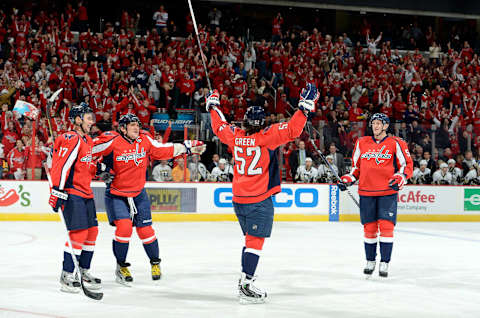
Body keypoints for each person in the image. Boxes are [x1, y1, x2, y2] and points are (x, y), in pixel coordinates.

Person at [207, 83, 318, 303]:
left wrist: (213, 105)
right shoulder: (267, 136)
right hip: (259, 199)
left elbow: (219, 126)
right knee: (255, 242)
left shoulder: (235, 136)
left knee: (250, 241)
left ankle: (244, 280)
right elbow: (293, 130)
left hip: (239, 199)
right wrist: (304, 108)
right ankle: (246, 286)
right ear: (263, 122)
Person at [92, 114, 205, 285]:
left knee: (146, 231)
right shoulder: (111, 140)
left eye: (137, 124)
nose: (136, 128)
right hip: (116, 194)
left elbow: (162, 150)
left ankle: (155, 263)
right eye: (132, 125)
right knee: (124, 229)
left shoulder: (144, 139)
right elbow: (86, 152)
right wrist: (99, 168)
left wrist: (186, 147)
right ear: (123, 129)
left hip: (138, 194)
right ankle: (121, 266)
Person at [339, 113, 413, 278]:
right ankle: (370, 260)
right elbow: (355, 169)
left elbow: (406, 165)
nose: (376, 126)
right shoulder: (362, 142)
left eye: (379, 123)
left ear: (386, 126)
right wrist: (347, 179)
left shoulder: (396, 143)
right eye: (374, 123)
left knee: (386, 227)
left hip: (387, 192)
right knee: (369, 229)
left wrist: (401, 177)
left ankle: (385, 262)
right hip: (366, 192)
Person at [48, 104, 102, 293]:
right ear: (78, 120)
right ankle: (67, 274)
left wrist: (99, 170)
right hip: (72, 192)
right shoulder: (71, 138)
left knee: (93, 231)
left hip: (86, 192)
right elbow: (61, 166)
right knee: (78, 233)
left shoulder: (87, 139)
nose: (92, 121)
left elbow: (86, 165)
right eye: (88, 118)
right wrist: (57, 191)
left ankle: (83, 269)